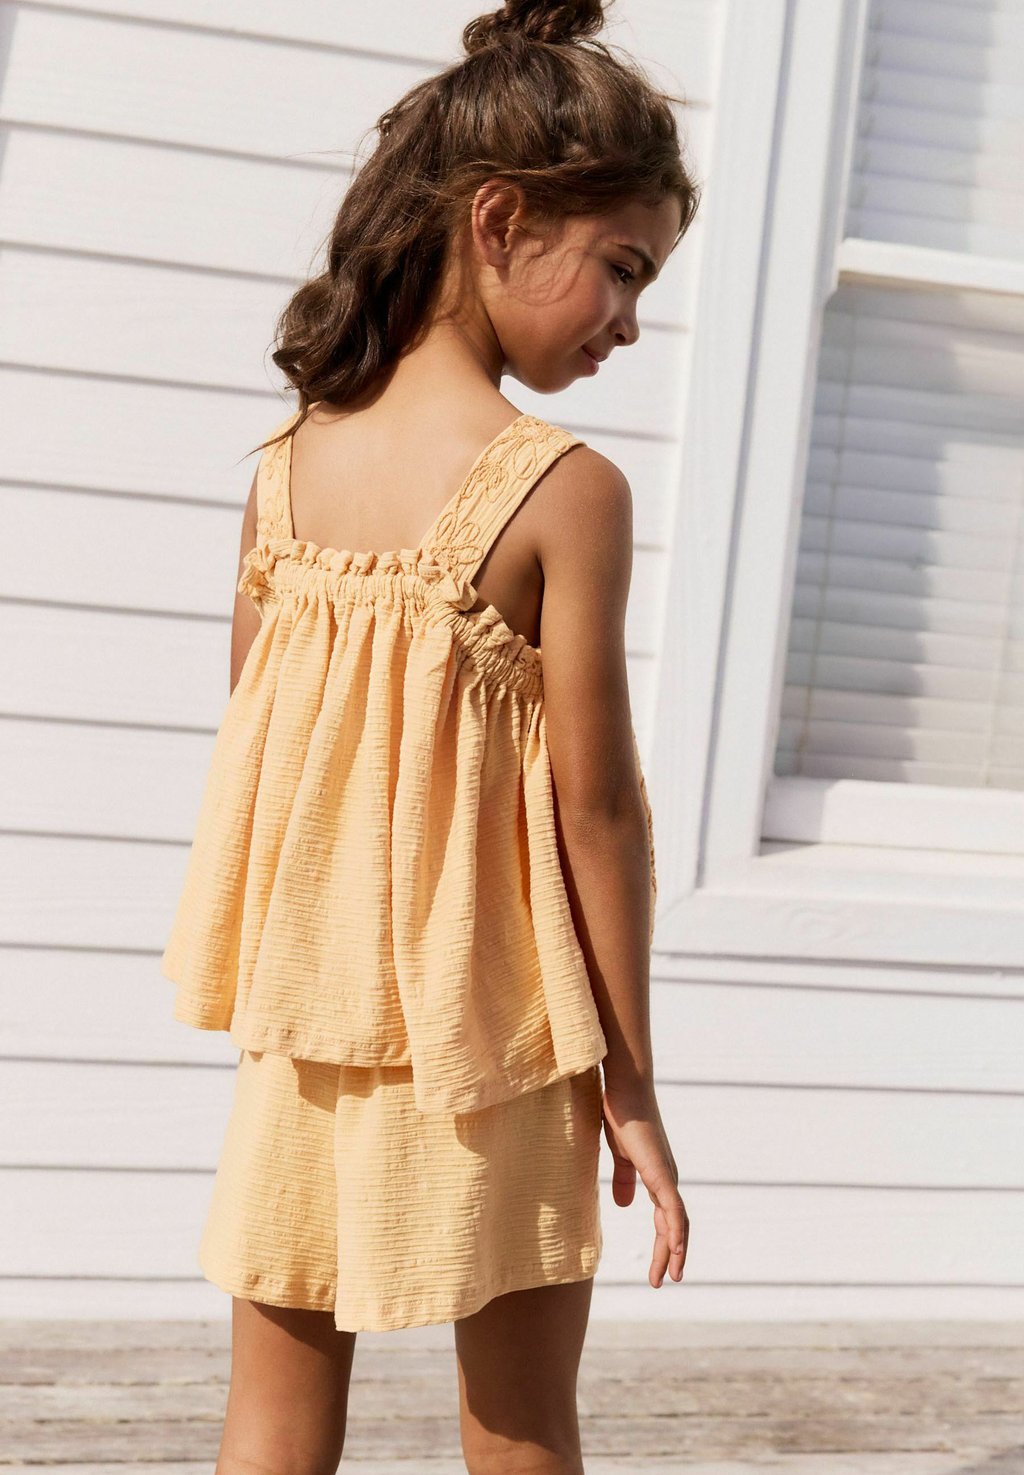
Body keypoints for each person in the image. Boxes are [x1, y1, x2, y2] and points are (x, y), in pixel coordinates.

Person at [160, 1, 701, 1470]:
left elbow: (256, 759)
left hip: (307, 1032)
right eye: (623, 268)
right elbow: (598, 812)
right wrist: (632, 1088)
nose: (629, 322)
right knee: (521, 1430)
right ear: (503, 220)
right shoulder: (565, 490)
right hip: (499, 1042)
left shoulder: (285, 468)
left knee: (270, 1428)